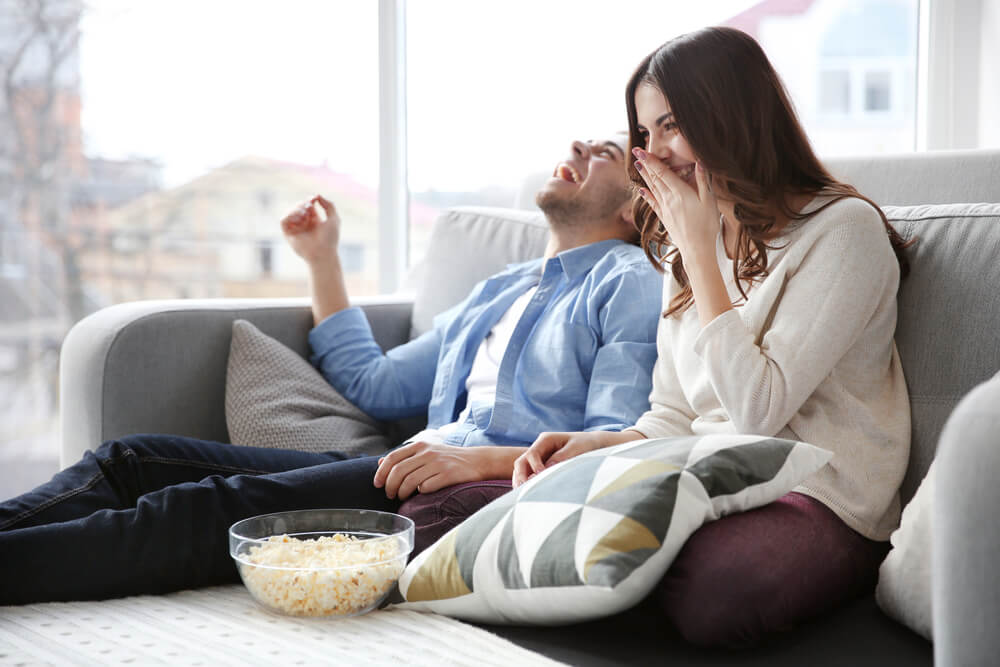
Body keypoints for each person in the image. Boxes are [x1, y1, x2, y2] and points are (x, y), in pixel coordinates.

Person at [0, 132, 662, 605]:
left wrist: (479, 462)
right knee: (132, 459)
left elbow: (611, 446)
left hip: (452, 494)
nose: (577, 147)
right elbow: (374, 384)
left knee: (203, 509)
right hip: (415, 464)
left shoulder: (628, 282)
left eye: (603, 153)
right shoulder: (500, 289)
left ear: (636, 210)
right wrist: (322, 260)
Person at [510, 27, 912, 648]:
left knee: (715, 590)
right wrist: (595, 446)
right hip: (709, 475)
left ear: (733, 117)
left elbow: (757, 415)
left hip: (822, 495)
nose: (653, 152)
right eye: (644, 134)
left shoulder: (842, 232)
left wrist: (699, 250)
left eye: (670, 126)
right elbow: (674, 415)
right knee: (479, 507)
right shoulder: (685, 246)